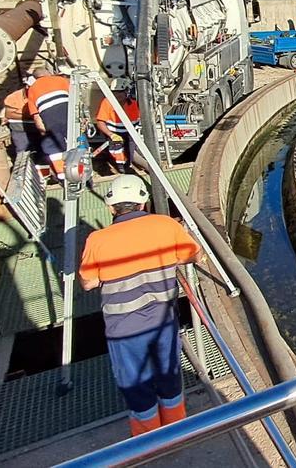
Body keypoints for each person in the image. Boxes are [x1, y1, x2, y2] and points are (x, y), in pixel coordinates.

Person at [78, 175, 200, 436]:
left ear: (111, 208)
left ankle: (149, 440)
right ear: (144, 204)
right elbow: (193, 254)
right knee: (169, 373)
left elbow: (88, 283)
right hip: (163, 323)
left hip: (123, 329)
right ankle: (176, 431)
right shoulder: (166, 226)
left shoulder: (97, 240)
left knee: (135, 383)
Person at [25, 68, 71, 181]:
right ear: (48, 73)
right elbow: (76, 99)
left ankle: (62, 176)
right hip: (68, 115)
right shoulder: (61, 80)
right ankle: (84, 173)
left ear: (35, 78)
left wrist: (43, 131)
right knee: (76, 141)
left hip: (50, 121)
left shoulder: (32, 89)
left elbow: (36, 116)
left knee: (54, 148)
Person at [95, 85, 140, 173]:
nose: (117, 95)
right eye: (114, 92)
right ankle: (121, 167)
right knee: (117, 150)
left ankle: (128, 164)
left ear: (126, 92)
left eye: (120, 92)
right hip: (114, 132)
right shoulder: (107, 102)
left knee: (130, 150)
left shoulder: (134, 103)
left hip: (130, 132)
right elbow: (100, 123)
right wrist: (111, 135)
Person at [1, 75, 40, 160]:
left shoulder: (40, 94)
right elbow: (9, 114)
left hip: (38, 128)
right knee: (23, 152)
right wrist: (32, 115)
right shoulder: (13, 97)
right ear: (27, 86)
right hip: (20, 129)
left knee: (41, 152)